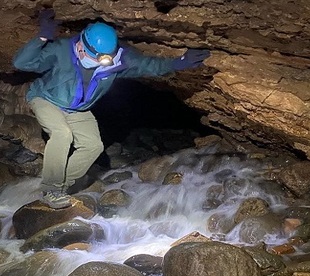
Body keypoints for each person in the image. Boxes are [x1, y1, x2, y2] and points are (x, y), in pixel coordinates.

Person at [13, 8, 210, 209]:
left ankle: (61, 185)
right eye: (92, 55)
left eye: (103, 58)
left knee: (93, 146)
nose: (98, 61)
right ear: (81, 45)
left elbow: (148, 64)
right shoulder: (61, 49)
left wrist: (179, 62)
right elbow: (21, 63)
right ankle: (51, 190)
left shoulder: (118, 60)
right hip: (46, 99)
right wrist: (42, 37)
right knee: (62, 134)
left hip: (78, 108)